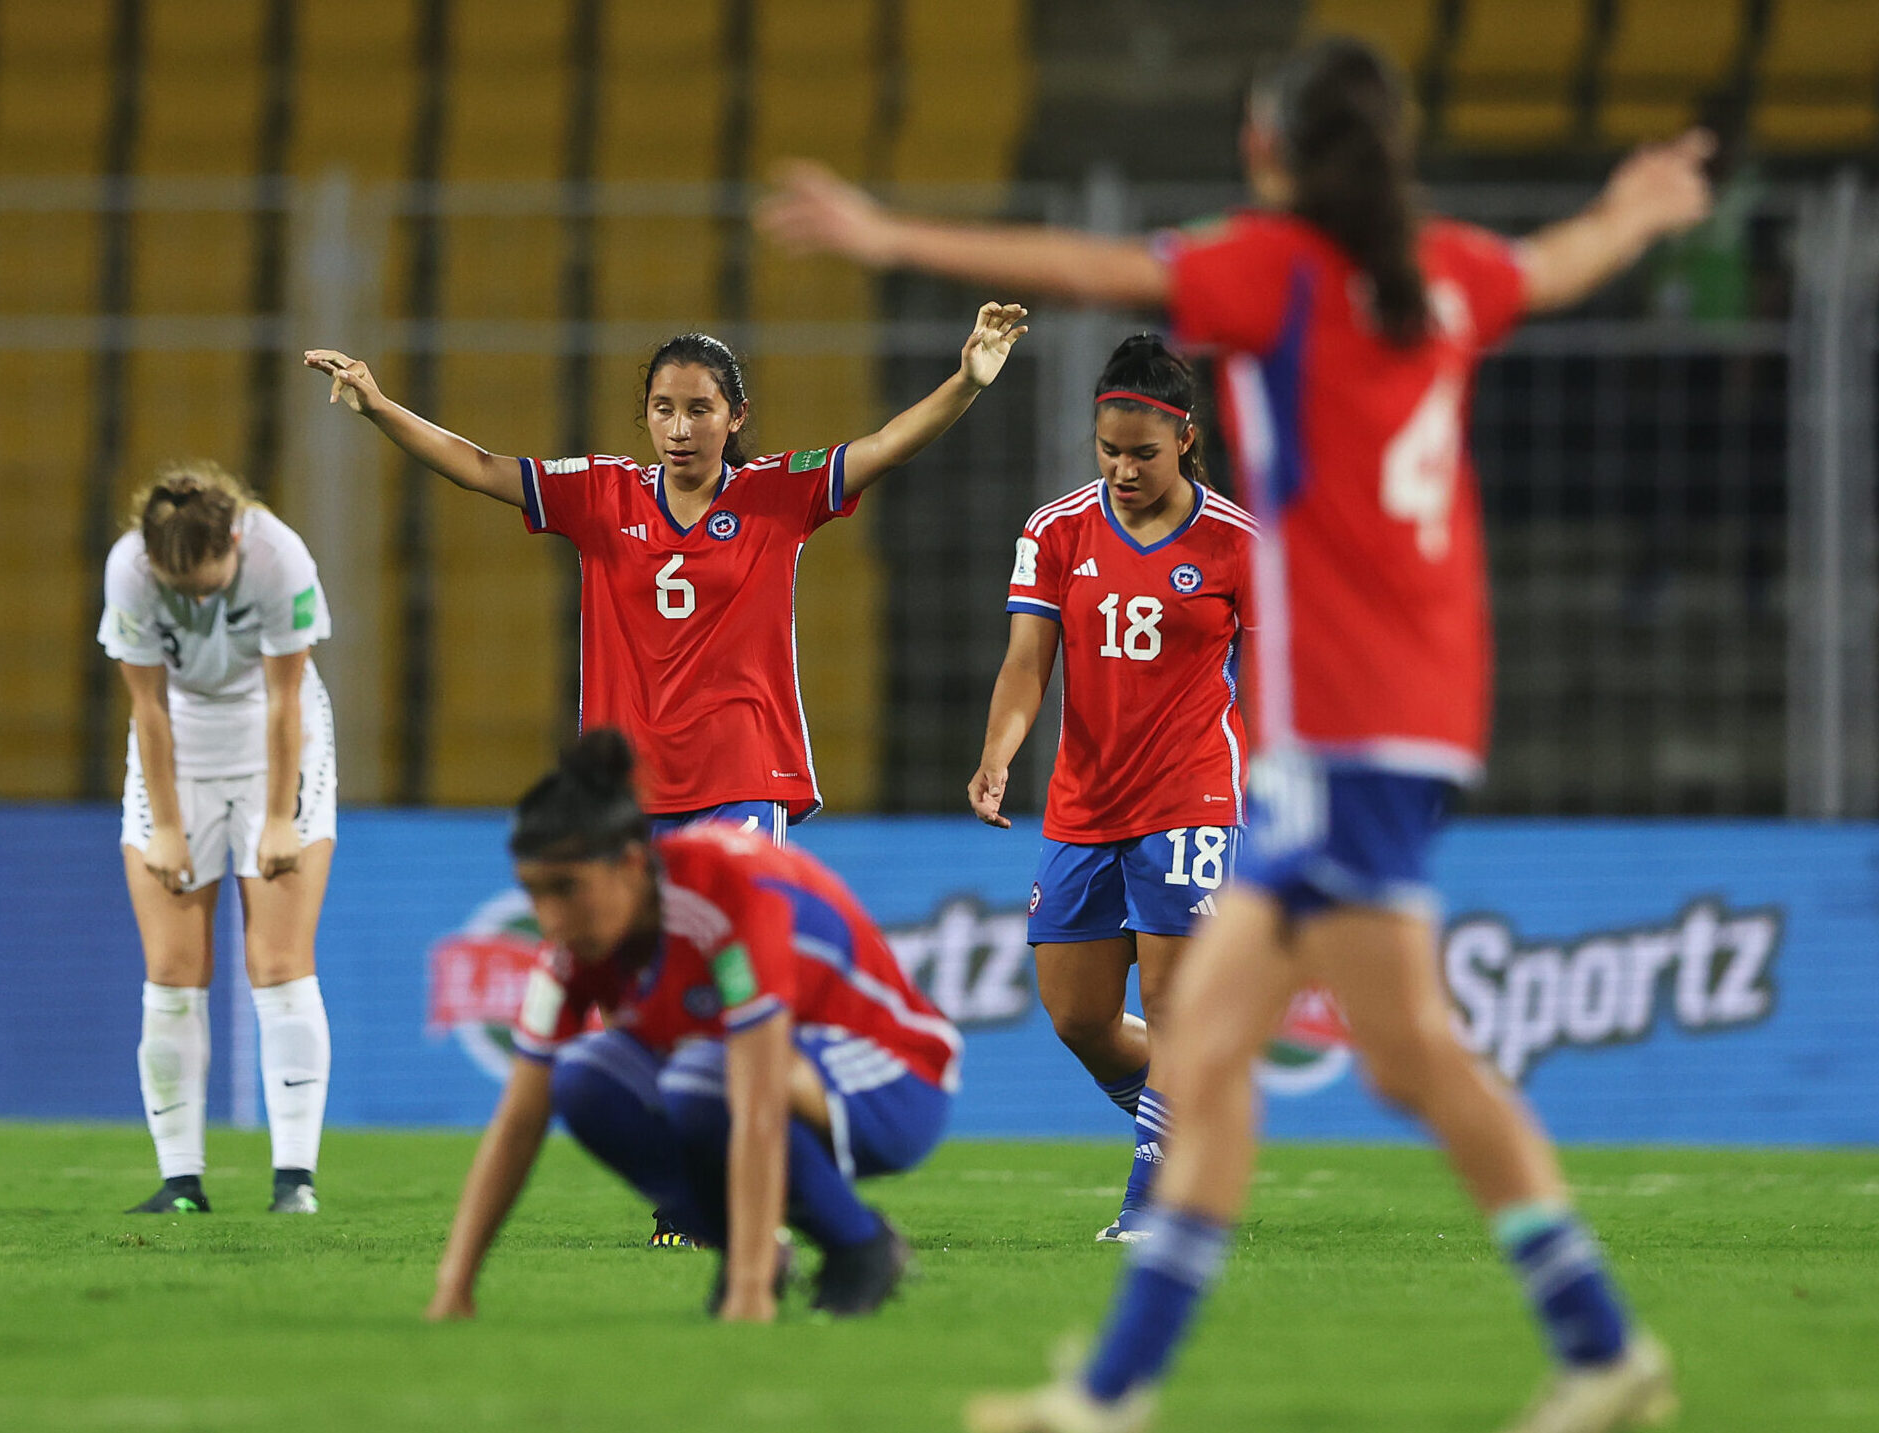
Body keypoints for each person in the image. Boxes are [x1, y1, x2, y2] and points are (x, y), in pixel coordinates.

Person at [763, 34, 1712, 1433]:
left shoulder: (1280, 273)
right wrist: (1638, 207)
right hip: (1406, 713)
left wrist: (885, 229)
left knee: (1407, 1055)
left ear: (1271, 152)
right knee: (1205, 1054)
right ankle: (1110, 1391)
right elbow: (1564, 261)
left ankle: (1600, 1345)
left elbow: (1100, 272)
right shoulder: (1444, 267)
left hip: (1349, 730)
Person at [303, 305, 1026, 837]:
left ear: (735, 417)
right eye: (663, 409)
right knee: (642, 989)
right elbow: (481, 467)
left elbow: (887, 444)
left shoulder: (777, 493)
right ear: (645, 414)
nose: (680, 428)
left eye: (699, 410)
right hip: (626, 787)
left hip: (741, 776)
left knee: (732, 975)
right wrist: (378, 407)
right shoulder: (598, 491)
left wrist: (966, 380)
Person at [426, 729, 962, 1323]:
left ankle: (859, 1245)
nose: (552, 919)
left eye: (567, 889)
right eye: (535, 894)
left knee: (702, 1076)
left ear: (631, 863)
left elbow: (756, 1100)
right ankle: (758, 1248)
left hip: (897, 1078)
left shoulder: (726, 890)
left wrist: (748, 1293)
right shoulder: (578, 946)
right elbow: (520, 1118)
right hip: (756, 1078)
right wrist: (455, 1285)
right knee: (583, 1079)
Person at [970, 334, 1254, 1245]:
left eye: (1142, 452)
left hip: (1190, 795)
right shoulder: (1055, 531)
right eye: (1108, 450)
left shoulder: (1238, 544)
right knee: (1080, 1016)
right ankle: (1188, 1124)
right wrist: (998, 753)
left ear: (1185, 441)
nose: (1123, 468)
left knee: (1177, 1011)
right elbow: (1026, 664)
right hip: (1083, 802)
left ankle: (1157, 1202)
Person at [99, 462, 337, 1217]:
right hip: (179, 745)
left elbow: (284, 697)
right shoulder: (129, 570)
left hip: (277, 735)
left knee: (278, 961)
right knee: (171, 969)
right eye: (179, 587)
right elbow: (148, 709)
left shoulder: (279, 558)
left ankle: (293, 1180)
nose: (194, 596)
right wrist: (167, 827)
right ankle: (181, 1185)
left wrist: (276, 817)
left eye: (206, 581)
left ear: (234, 538)